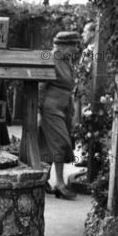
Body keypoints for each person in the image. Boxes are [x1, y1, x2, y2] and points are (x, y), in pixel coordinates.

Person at [38, 31, 81, 200]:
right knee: (61, 143)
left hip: (63, 108)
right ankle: (60, 184)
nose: (76, 49)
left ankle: (44, 180)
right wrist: (38, 111)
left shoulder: (65, 60)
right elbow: (41, 85)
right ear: (63, 45)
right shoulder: (51, 57)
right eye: (74, 45)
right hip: (51, 108)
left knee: (49, 146)